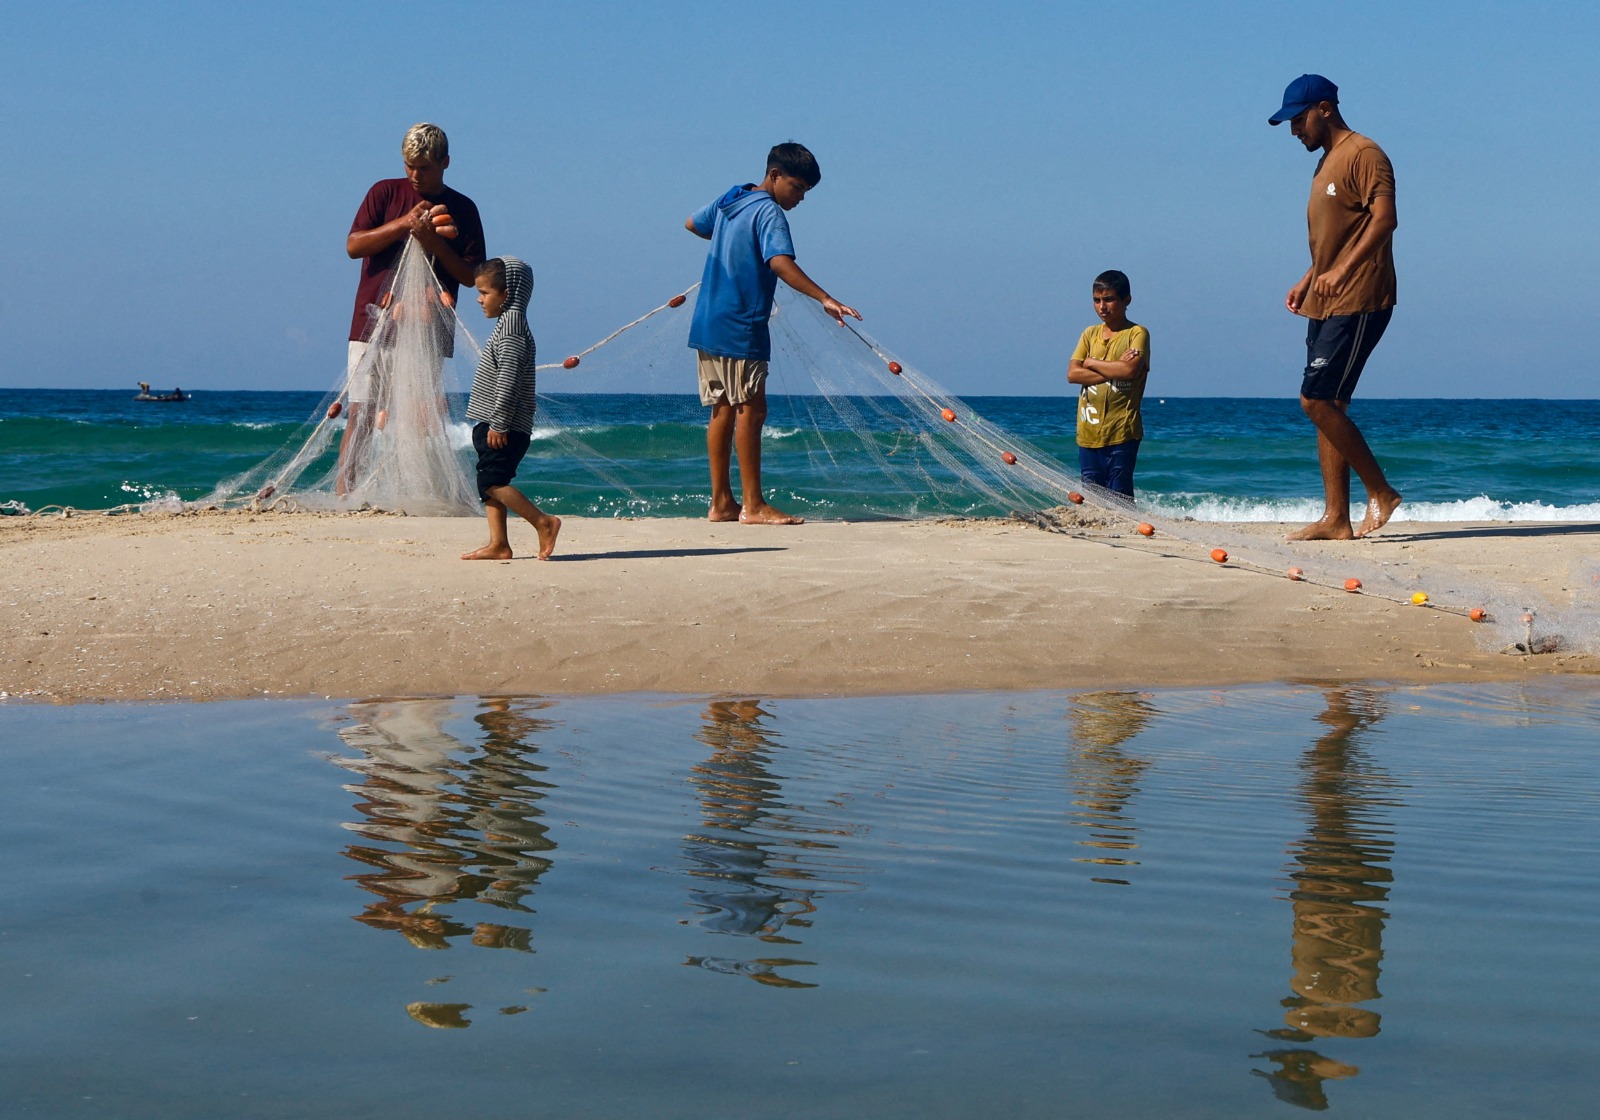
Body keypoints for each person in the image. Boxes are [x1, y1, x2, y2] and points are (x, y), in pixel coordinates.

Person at [684, 142, 861, 525]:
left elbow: (693, 224)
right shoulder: (769, 213)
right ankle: (754, 505)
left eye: (805, 192)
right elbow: (780, 263)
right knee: (752, 407)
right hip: (741, 323)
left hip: (707, 320)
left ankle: (721, 504)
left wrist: (732, 247)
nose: (799, 198)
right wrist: (825, 298)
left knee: (723, 408)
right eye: (796, 188)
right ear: (775, 176)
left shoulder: (733, 198)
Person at [1271, 75, 1402, 540]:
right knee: (1330, 403)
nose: (1294, 131)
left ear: (1324, 108)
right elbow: (1335, 238)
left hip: (1361, 297)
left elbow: (1385, 219)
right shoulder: (1326, 163)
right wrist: (1309, 277)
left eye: (1299, 120)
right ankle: (1336, 520)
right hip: (1325, 300)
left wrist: (1344, 272)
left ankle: (1382, 492)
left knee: (1317, 399)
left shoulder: (1365, 154)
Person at [336, 122, 486, 494]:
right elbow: (354, 245)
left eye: (424, 168)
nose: (415, 175)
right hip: (372, 322)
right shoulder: (384, 193)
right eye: (409, 166)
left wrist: (434, 244)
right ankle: (345, 494)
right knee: (363, 413)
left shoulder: (463, 208)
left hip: (428, 328)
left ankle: (416, 491)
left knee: (420, 414)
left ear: (446, 163)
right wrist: (404, 223)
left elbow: (470, 276)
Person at [460, 257, 560, 561]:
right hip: (493, 421)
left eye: (485, 292)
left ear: (508, 293)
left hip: (505, 425)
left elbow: (509, 378)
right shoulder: (508, 324)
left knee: (491, 482)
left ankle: (543, 522)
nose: (479, 299)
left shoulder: (512, 329)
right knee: (488, 482)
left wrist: (500, 423)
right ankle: (499, 544)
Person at [1067, 270, 1150, 502]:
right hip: (1088, 430)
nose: (1102, 306)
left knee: (1119, 493)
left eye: (1109, 299)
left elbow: (1129, 371)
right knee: (1093, 495)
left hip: (1122, 431)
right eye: (1097, 300)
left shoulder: (1137, 333)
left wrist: (1092, 363)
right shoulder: (1089, 334)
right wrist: (1111, 368)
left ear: (1126, 300)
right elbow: (1073, 374)